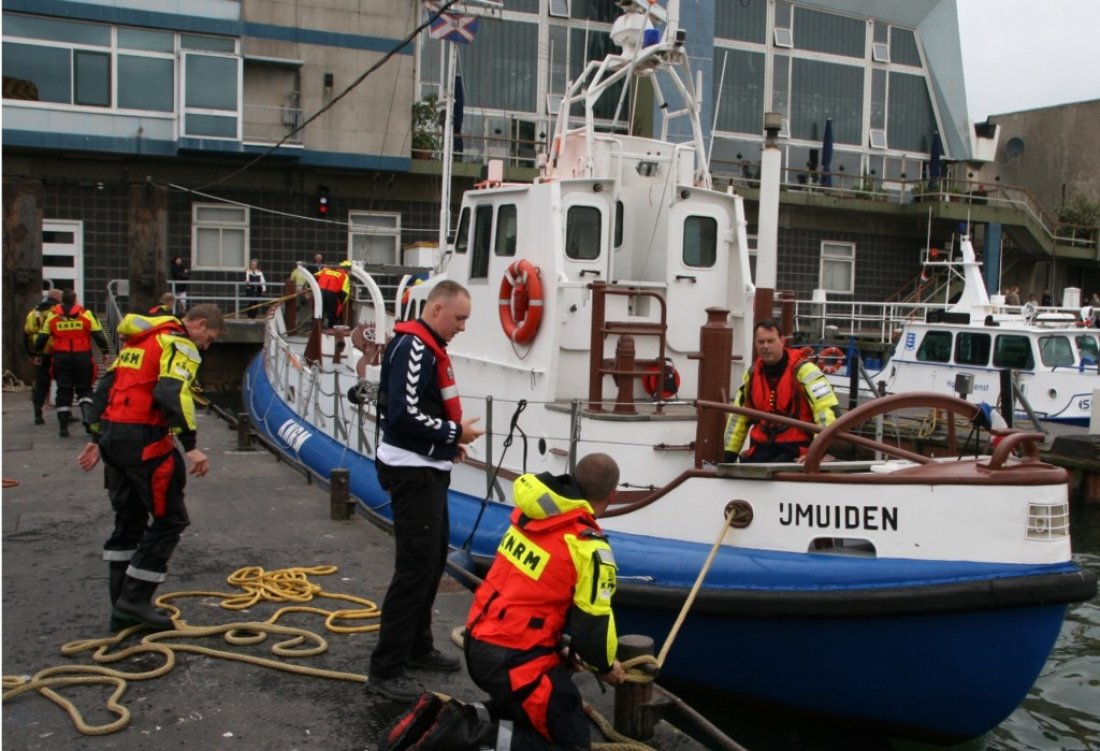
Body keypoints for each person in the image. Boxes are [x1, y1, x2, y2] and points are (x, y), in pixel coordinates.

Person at [366, 280, 483, 702]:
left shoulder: (425, 344)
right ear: (436, 310)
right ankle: (386, 670)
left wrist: (449, 445)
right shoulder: (414, 348)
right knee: (414, 569)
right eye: (459, 318)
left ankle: (417, 647)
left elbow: (418, 414)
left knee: (433, 561)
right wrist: (455, 431)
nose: (462, 327)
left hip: (427, 467)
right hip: (412, 474)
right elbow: (403, 415)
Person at [76, 304, 223, 631]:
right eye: (208, 338)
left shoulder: (137, 344)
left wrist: (96, 435)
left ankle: (121, 606)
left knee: (128, 519)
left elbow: (106, 388)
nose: (205, 346)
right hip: (144, 439)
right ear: (198, 325)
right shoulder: (178, 344)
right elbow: (172, 393)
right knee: (171, 518)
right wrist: (192, 445)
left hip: (114, 437)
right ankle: (136, 600)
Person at [465, 453, 626, 751]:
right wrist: (604, 666)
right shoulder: (587, 546)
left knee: (547, 712)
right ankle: (465, 736)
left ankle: (475, 718)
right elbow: (592, 628)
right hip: (513, 661)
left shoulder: (535, 515)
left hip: (477, 640)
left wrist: (558, 648)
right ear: (612, 496)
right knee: (573, 740)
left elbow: (530, 595)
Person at [723, 319, 839, 463]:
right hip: (760, 450)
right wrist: (728, 457)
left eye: (770, 341)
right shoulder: (752, 374)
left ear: (782, 341)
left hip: (796, 452)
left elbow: (826, 412)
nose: (765, 346)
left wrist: (816, 453)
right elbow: (738, 418)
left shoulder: (805, 371)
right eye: (761, 342)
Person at [36, 289, 110, 438]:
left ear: (61, 301)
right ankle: (87, 418)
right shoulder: (86, 314)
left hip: (61, 358)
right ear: (75, 300)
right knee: (85, 389)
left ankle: (63, 426)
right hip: (82, 357)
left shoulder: (52, 316)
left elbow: (42, 337)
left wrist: (38, 354)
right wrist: (105, 351)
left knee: (63, 390)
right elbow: (99, 335)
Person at [24, 288, 63, 425]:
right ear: (59, 299)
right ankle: (64, 413)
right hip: (57, 350)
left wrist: (32, 353)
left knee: (41, 383)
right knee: (63, 383)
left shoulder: (33, 312)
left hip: (40, 352)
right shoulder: (58, 312)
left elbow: (26, 334)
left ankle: (38, 413)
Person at [315, 259, 351, 328]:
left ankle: (317, 329)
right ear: (347, 270)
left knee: (319, 313)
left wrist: (309, 290)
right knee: (332, 315)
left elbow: (314, 277)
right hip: (332, 295)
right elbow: (345, 293)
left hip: (319, 293)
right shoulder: (344, 276)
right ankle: (331, 330)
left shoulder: (325, 271)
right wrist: (341, 303)